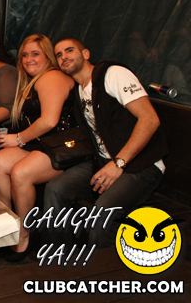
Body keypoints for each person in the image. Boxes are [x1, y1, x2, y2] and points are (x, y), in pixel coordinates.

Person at [45, 38, 166, 248]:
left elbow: (150, 119)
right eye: (59, 55)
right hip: (103, 161)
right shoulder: (79, 90)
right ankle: (57, 255)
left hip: (141, 165)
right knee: (55, 189)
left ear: (85, 54)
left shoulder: (113, 74)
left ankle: (102, 266)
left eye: (69, 50)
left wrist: (119, 163)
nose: (64, 56)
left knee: (102, 213)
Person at [0, 34, 76, 261]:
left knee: (20, 173)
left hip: (63, 148)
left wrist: (19, 139)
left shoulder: (51, 77)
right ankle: (8, 227)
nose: (28, 59)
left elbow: (49, 121)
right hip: (41, 145)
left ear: (47, 56)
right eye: (24, 55)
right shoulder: (33, 81)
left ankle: (23, 235)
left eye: (35, 54)